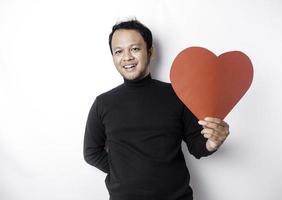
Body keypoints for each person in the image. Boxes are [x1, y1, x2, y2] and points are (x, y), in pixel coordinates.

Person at [83, 19, 230, 200]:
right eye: (118, 51)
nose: (127, 57)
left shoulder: (177, 94)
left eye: (135, 49)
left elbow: (197, 145)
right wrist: (123, 172)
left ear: (150, 51)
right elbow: (91, 152)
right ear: (113, 57)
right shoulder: (103, 103)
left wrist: (213, 143)